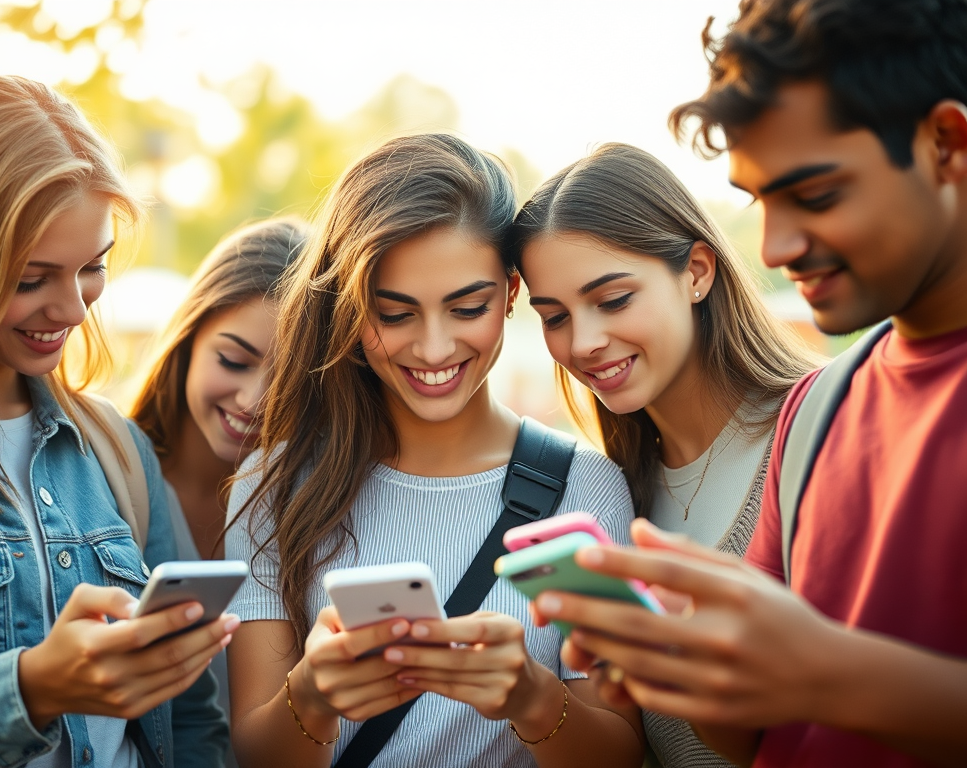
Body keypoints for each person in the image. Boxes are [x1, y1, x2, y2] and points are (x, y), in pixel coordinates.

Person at [529, 1, 967, 766]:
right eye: (759, 199)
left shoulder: (798, 415)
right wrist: (665, 662)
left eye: (818, 194)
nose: (773, 247)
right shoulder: (826, 410)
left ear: (947, 144)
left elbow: (814, 687)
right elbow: (753, 736)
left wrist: (825, 671)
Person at [224, 133, 644, 767]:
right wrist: (312, 695)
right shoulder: (276, 482)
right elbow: (257, 753)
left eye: (466, 307)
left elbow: (619, 752)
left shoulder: (585, 488)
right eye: (394, 315)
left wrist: (532, 699)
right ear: (349, 307)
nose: (434, 349)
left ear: (509, 294)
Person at [0, 50, 233, 766]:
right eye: (32, 278)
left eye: (93, 267)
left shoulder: (115, 450)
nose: (73, 309)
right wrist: (31, 688)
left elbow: (192, 719)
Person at [506, 142, 817, 767]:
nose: (584, 342)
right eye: (554, 316)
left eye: (613, 300)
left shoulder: (818, 427)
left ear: (697, 271)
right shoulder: (612, 491)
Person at [131, 216, 306, 768]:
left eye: (289, 381)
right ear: (188, 337)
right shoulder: (108, 480)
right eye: (232, 360)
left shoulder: (310, 501)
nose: (255, 400)